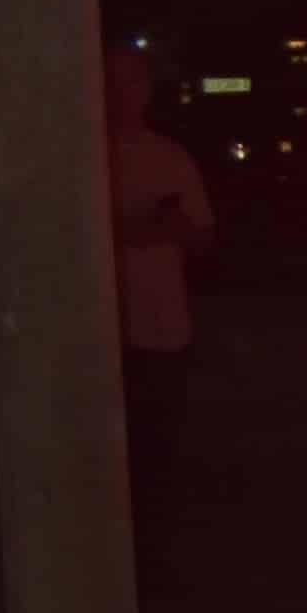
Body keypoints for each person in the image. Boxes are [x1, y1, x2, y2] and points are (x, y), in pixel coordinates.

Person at [103, 39, 207, 576]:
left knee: (157, 458)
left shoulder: (167, 155)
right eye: (113, 81)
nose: (124, 94)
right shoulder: (80, 157)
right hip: (96, 337)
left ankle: (151, 563)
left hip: (161, 331)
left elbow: (199, 233)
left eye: (134, 82)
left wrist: (153, 228)